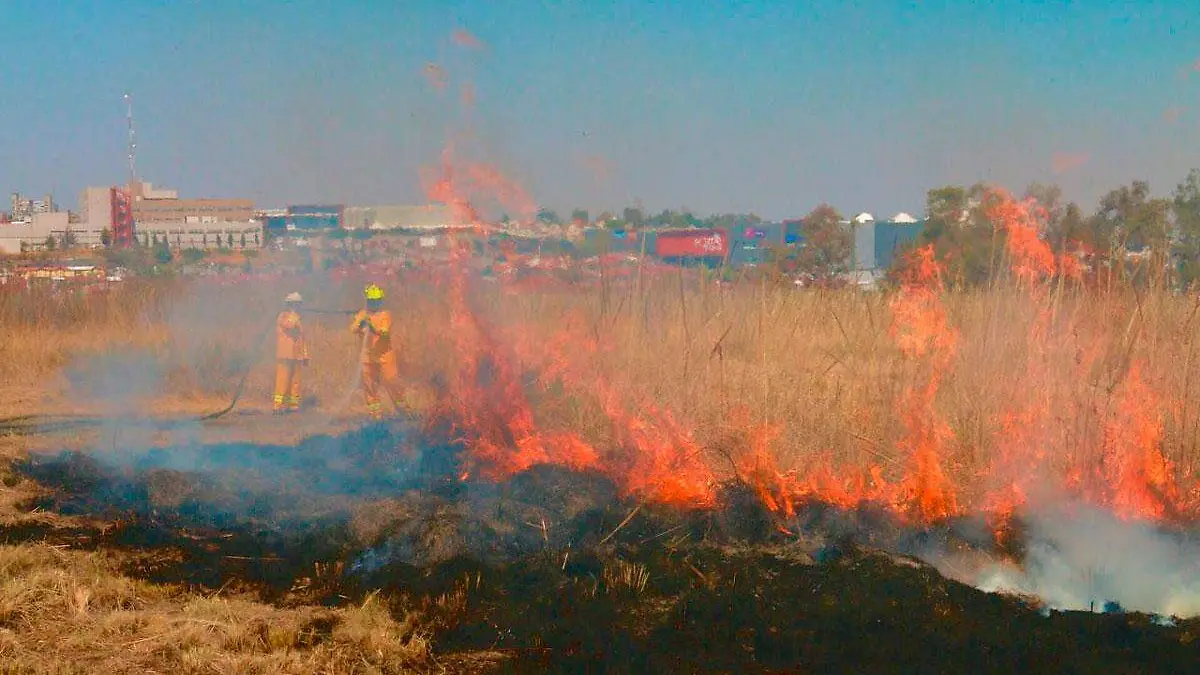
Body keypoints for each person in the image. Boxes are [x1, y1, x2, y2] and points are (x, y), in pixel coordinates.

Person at [351, 283, 404, 420]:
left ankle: (404, 411)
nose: (373, 304)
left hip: (385, 356)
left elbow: (384, 333)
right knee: (369, 385)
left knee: (392, 382)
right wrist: (360, 322)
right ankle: (375, 415)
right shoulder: (363, 314)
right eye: (370, 301)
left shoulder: (386, 315)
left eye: (375, 301)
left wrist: (371, 325)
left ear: (380, 301)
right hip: (368, 357)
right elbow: (353, 329)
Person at [273, 292, 308, 413]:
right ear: (290, 305)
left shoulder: (298, 318)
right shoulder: (283, 316)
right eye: (296, 305)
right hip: (285, 355)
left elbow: (301, 338)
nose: (298, 307)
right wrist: (294, 314)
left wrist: (305, 354)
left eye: (299, 305)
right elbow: (290, 326)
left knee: (295, 382)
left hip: (296, 355)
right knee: (282, 381)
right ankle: (278, 406)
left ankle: (293, 406)